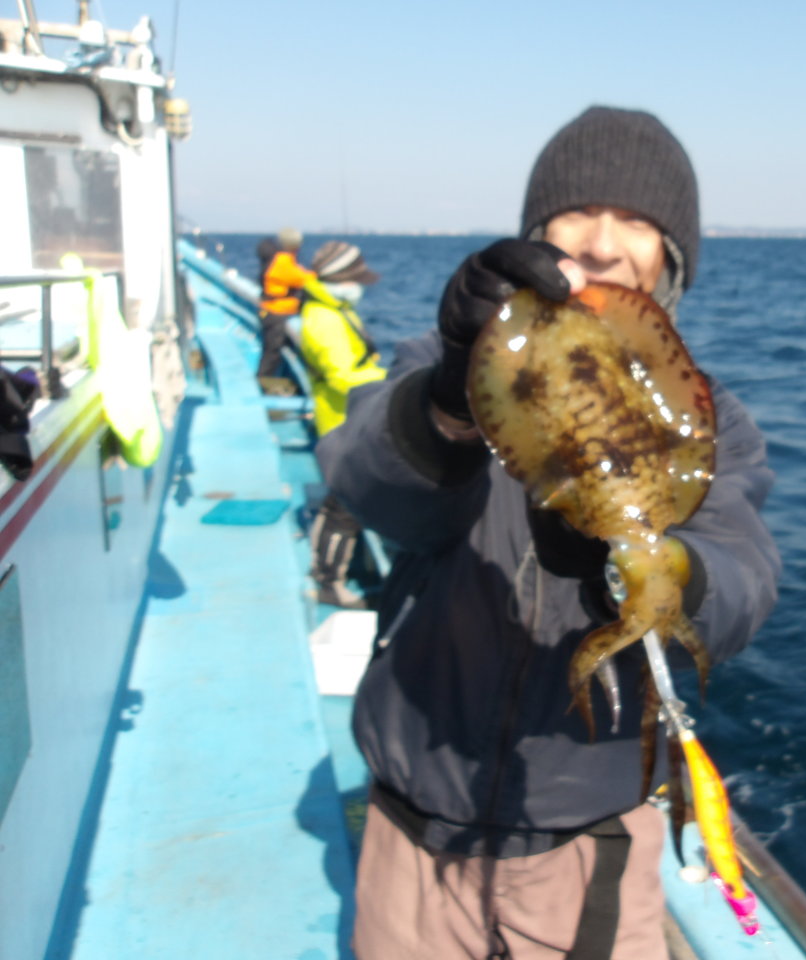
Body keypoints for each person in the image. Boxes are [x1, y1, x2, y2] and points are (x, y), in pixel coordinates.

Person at [317, 105, 781, 960]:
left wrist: (650, 566)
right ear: (536, 237)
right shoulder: (443, 368)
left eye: (636, 220)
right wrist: (449, 405)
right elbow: (369, 486)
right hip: (414, 834)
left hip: (588, 848)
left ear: (672, 258)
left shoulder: (714, 422)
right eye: (577, 213)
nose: (602, 243)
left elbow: (743, 581)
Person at [299, 241, 387, 609]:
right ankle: (327, 582)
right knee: (342, 506)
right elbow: (341, 376)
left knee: (347, 501)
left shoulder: (334, 309)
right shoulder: (323, 319)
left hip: (351, 416)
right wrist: (392, 380)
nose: (360, 286)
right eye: (355, 278)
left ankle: (342, 571)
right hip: (342, 421)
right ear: (339, 278)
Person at [257, 226, 313, 387]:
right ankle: (263, 381)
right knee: (272, 351)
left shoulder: (282, 260)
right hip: (276, 313)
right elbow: (304, 279)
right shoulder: (283, 262)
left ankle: (268, 380)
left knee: (275, 350)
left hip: (274, 312)